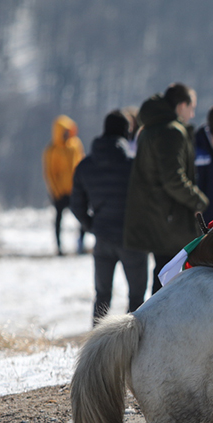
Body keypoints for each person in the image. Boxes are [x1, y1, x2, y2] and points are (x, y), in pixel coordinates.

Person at [123, 82, 209, 294]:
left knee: (162, 274)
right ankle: (156, 325)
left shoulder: (150, 128)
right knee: (166, 280)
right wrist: (198, 200)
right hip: (168, 218)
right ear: (181, 106)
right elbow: (173, 178)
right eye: (191, 107)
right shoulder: (172, 132)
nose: (192, 113)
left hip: (155, 215)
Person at [70, 110, 148, 325]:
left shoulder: (85, 166)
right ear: (126, 131)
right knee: (137, 298)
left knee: (102, 297)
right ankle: (132, 346)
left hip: (102, 238)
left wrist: (92, 225)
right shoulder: (133, 165)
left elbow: (76, 204)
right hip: (132, 239)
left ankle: (97, 348)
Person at [43, 114, 86, 255]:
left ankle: (80, 244)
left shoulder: (75, 145)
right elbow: (50, 173)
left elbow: (81, 163)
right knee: (58, 220)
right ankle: (59, 247)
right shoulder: (52, 150)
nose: (68, 134)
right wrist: (56, 192)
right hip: (60, 193)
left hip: (75, 189)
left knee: (82, 217)